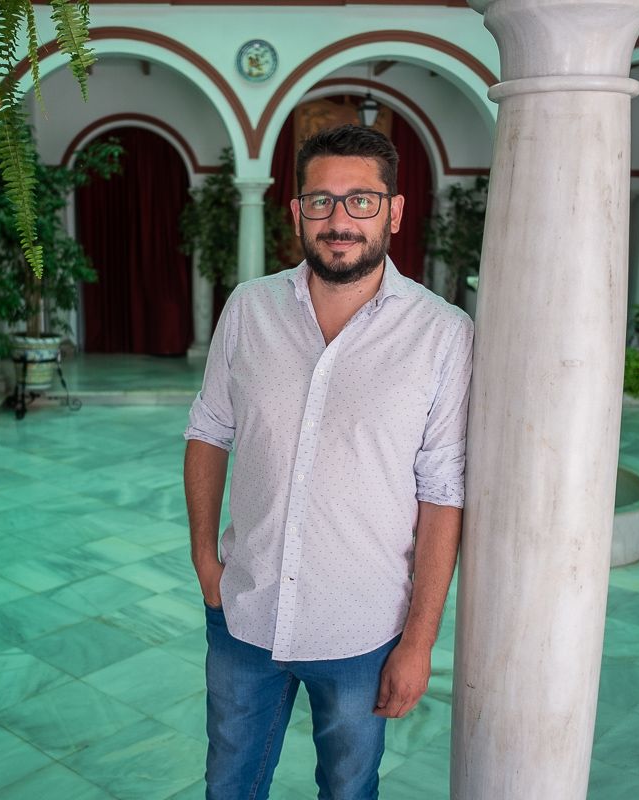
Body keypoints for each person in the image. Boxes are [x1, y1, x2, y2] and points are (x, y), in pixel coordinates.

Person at [183, 124, 473, 799]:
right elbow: (208, 430)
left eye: (361, 201)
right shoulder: (249, 309)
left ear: (395, 212)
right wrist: (205, 558)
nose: (340, 221)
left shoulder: (443, 335)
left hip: (362, 629)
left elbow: (443, 491)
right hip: (244, 613)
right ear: (297, 212)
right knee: (228, 781)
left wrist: (419, 642)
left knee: (348, 788)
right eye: (321, 201)